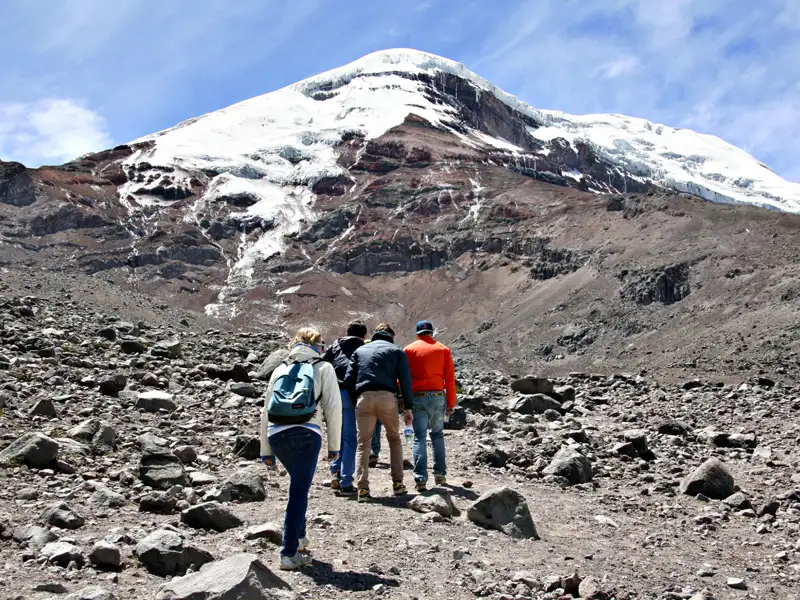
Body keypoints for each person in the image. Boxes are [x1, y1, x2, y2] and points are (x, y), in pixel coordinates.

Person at [260, 327, 342, 570]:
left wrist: (266, 450)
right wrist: (334, 447)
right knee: (298, 492)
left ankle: (300, 537)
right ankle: (288, 552)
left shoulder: (279, 369)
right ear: (317, 345)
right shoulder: (324, 368)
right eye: (322, 343)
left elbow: (265, 411)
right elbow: (333, 409)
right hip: (307, 434)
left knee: (298, 486)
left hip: (276, 435)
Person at [343, 323, 414, 502]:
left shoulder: (360, 351)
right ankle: (398, 484)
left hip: (364, 398)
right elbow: (405, 381)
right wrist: (408, 408)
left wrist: (355, 401)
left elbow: (349, 380)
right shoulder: (397, 351)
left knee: (363, 444)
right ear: (391, 336)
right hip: (388, 398)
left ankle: (363, 489)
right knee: (394, 439)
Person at [403, 320, 456, 492]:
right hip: (438, 397)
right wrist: (451, 403)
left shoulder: (409, 350)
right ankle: (440, 474)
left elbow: (403, 377)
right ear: (432, 333)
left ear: (418, 333)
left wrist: (403, 397)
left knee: (419, 437)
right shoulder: (443, 349)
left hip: (417, 397)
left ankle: (420, 480)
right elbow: (449, 379)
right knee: (437, 435)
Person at [323, 320, 368, 496]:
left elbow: (324, 365)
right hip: (349, 394)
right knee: (350, 438)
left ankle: (335, 472)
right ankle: (346, 481)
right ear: (363, 335)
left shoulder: (335, 346)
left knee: (337, 435)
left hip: (332, 394)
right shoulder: (363, 348)